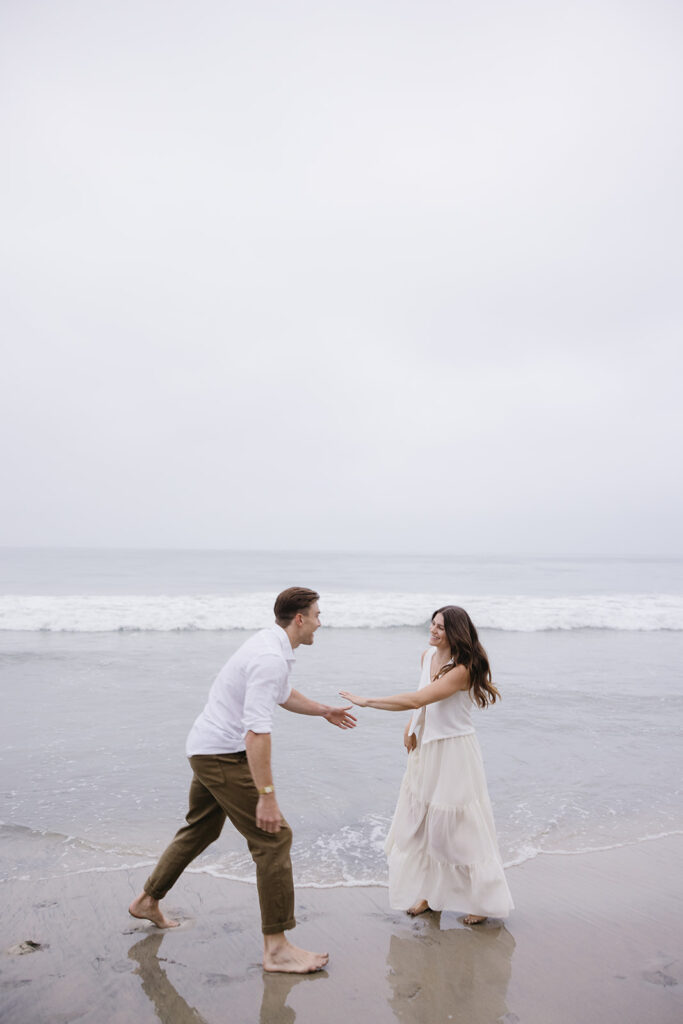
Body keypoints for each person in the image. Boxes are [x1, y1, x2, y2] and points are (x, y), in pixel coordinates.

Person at [129, 587, 357, 973]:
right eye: (318, 614)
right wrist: (266, 796)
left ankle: (147, 901)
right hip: (222, 754)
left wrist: (323, 710)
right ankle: (277, 948)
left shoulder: (273, 647)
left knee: (201, 829)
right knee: (274, 838)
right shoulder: (270, 657)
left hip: (206, 746)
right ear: (299, 619)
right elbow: (256, 733)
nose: (321, 621)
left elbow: (282, 694)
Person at [340, 605, 512, 924]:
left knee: (459, 830)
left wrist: (368, 701)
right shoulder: (426, 657)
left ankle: (483, 902)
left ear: (455, 633)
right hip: (427, 750)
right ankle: (431, 895)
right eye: (432, 624)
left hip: (455, 753)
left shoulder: (462, 668)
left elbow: (418, 698)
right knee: (424, 827)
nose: (433, 631)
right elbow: (423, 699)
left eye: (441, 627)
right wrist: (411, 727)